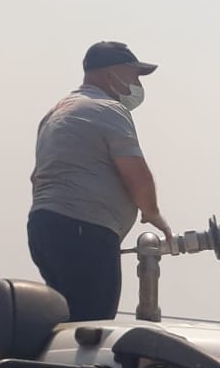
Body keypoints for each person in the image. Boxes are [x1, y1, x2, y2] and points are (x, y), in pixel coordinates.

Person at [27, 41, 174, 321]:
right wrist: (153, 213)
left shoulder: (57, 112)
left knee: (68, 320)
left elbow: (36, 178)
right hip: (84, 230)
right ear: (111, 74)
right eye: (134, 74)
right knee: (92, 326)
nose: (136, 83)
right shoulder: (108, 109)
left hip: (44, 227)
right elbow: (135, 172)